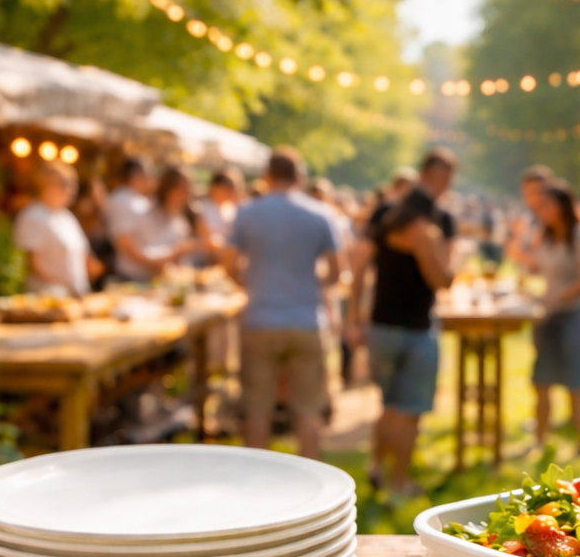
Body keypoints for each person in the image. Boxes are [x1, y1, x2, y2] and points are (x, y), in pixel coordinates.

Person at [348, 149, 458, 499]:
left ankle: (377, 468)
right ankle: (398, 483)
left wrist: (353, 318)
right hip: (412, 326)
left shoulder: (387, 214)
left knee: (390, 405)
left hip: (386, 323)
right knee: (407, 410)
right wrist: (428, 248)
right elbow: (443, 279)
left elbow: (358, 267)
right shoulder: (434, 221)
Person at [224, 148, 340, 461]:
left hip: (260, 320)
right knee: (308, 410)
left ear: (267, 176)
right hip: (306, 321)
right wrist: (308, 284)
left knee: (257, 410)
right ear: (298, 176)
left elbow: (228, 263)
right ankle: (313, 482)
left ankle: (256, 481)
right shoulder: (320, 213)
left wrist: (250, 283)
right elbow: (336, 272)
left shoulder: (247, 212)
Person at [521, 181, 580, 456]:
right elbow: (536, 266)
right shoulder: (546, 236)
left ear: (563, 206)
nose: (540, 210)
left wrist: (553, 296)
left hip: (578, 317)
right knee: (541, 382)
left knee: (577, 385)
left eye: (546, 204)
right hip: (550, 317)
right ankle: (539, 441)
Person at [13, 162, 100, 297]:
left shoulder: (66, 216)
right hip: (47, 298)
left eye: (73, 184)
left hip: (75, 296)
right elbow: (33, 264)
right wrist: (66, 286)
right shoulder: (33, 215)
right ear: (45, 184)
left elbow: (84, 255)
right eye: (64, 184)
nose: (70, 190)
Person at [106, 158, 193, 281]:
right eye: (150, 173)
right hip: (131, 277)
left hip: (144, 277)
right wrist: (161, 258)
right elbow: (126, 245)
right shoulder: (123, 199)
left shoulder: (140, 200)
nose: (153, 178)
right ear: (137, 175)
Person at [195, 170, 242, 250]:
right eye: (227, 187)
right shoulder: (199, 208)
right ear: (214, 187)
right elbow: (207, 237)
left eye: (232, 187)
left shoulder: (232, 209)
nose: (231, 190)